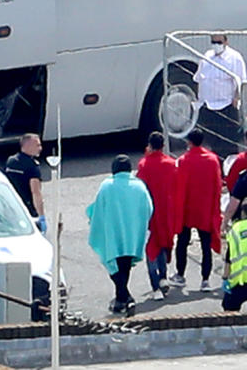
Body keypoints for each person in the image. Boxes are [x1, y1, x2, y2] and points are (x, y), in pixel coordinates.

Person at [86, 154, 154, 314]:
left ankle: (122, 298)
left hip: (112, 234)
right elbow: (149, 208)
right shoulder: (139, 186)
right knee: (125, 266)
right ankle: (123, 298)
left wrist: (91, 216)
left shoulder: (107, 186)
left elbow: (97, 208)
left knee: (113, 265)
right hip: (132, 235)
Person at [170, 129, 222, 292]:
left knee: (182, 242)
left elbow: (178, 185)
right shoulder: (212, 160)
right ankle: (205, 280)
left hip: (187, 208)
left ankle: (180, 274)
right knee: (206, 245)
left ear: (189, 142)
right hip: (205, 208)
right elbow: (218, 184)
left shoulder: (184, 160)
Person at [137, 132, 179, 301]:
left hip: (150, 212)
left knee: (151, 248)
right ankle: (163, 277)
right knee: (164, 243)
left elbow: (140, 188)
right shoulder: (171, 164)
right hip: (167, 211)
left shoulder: (144, 164)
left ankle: (155, 285)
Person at [193, 32, 247, 158]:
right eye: (213, 42)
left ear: (226, 42)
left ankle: (228, 173)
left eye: (219, 42)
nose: (216, 45)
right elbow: (198, 78)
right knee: (210, 143)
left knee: (228, 145)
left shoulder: (234, 58)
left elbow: (241, 81)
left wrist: (236, 98)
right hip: (208, 106)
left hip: (226, 106)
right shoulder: (207, 56)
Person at [4, 133, 47, 233]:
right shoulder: (32, 166)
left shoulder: (11, 161)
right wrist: (41, 216)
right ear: (28, 146)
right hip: (27, 209)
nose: (40, 148)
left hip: (12, 206)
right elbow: (36, 192)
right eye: (37, 145)